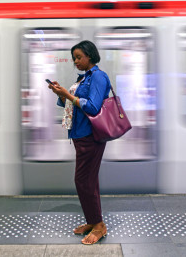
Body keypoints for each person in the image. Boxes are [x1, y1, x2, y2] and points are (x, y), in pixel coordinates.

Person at [48, 40, 111, 245]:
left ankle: (99, 226)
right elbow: (72, 102)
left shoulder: (99, 77)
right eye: (74, 58)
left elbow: (92, 107)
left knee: (82, 181)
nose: (75, 61)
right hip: (80, 135)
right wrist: (61, 93)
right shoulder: (83, 78)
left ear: (90, 56)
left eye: (79, 57)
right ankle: (93, 221)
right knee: (89, 181)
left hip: (91, 136)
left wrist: (67, 94)